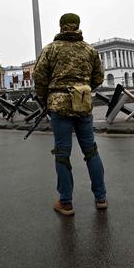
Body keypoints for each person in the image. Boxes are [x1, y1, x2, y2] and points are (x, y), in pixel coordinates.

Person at [33, 13, 107, 216]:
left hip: (59, 107)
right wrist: (83, 88)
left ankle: (66, 202)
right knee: (91, 150)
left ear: (61, 26)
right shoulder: (89, 50)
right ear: (77, 26)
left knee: (62, 152)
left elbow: (39, 76)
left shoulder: (51, 49)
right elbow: (98, 77)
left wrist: (45, 96)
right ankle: (101, 198)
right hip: (82, 104)